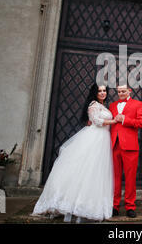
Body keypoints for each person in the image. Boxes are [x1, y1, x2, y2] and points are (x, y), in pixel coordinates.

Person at [31, 84, 118, 222]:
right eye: (99, 91)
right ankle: (74, 205)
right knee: (86, 170)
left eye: (104, 91)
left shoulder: (102, 106)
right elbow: (96, 121)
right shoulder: (93, 105)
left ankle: (89, 204)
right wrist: (114, 120)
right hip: (95, 139)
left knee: (95, 172)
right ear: (95, 93)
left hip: (103, 140)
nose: (102, 93)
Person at [109, 84, 142, 218]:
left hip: (130, 146)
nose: (121, 94)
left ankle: (130, 207)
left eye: (123, 91)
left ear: (129, 91)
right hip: (114, 145)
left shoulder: (137, 104)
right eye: (119, 92)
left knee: (130, 179)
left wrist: (125, 119)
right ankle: (115, 206)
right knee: (115, 178)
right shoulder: (112, 105)